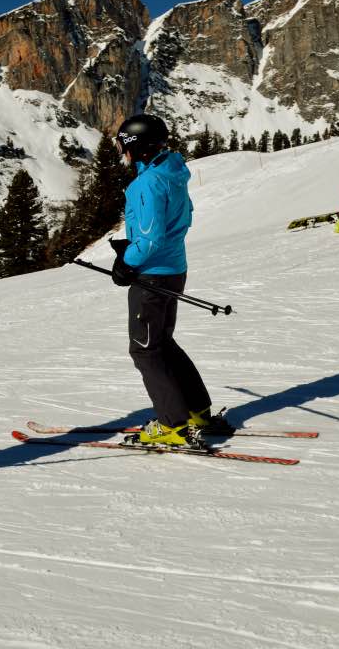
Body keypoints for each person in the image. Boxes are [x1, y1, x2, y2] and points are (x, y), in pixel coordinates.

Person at [110, 114, 226, 448]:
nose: (122, 154)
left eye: (123, 146)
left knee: (145, 350)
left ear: (138, 147)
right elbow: (175, 223)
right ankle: (197, 411)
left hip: (152, 276)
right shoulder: (172, 174)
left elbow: (149, 239)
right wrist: (132, 250)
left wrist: (126, 263)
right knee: (162, 342)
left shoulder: (146, 184)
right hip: (174, 269)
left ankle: (172, 424)